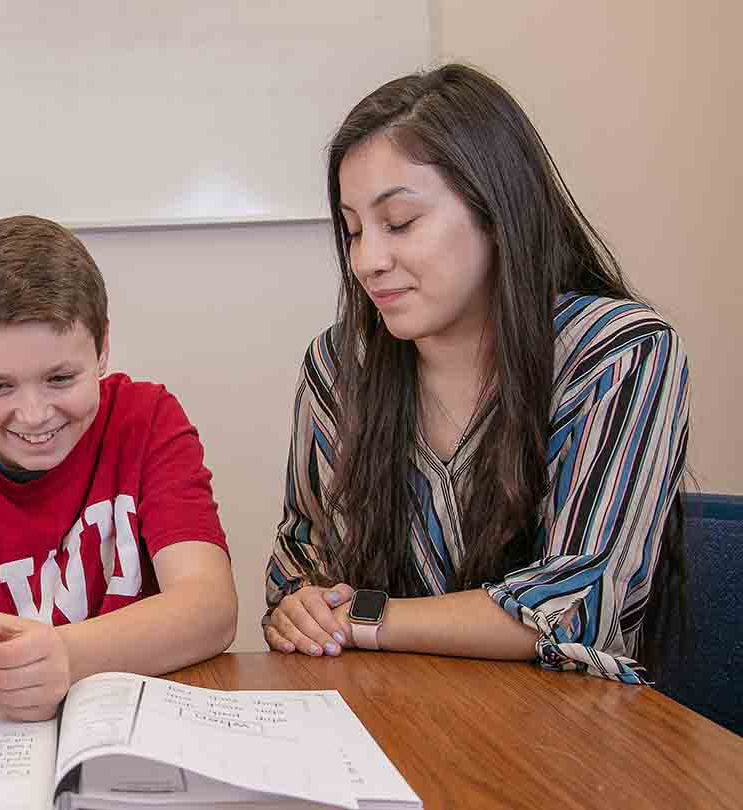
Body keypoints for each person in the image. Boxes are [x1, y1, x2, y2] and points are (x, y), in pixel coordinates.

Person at [264, 64, 690, 683]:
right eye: (353, 231)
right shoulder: (338, 365)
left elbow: (573, 606)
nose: (366, 261)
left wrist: (364, 619)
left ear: (494, 211)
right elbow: (300, 563)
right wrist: (300, 609)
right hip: (386, 713)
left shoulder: (618, 351)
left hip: (560, 728)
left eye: (400, 223)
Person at [0, 215, 238, 721]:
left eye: (61, 378)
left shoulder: (146, 421)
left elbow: (211, 609)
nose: (34, 415)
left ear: (102, 347)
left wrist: (66, 655)